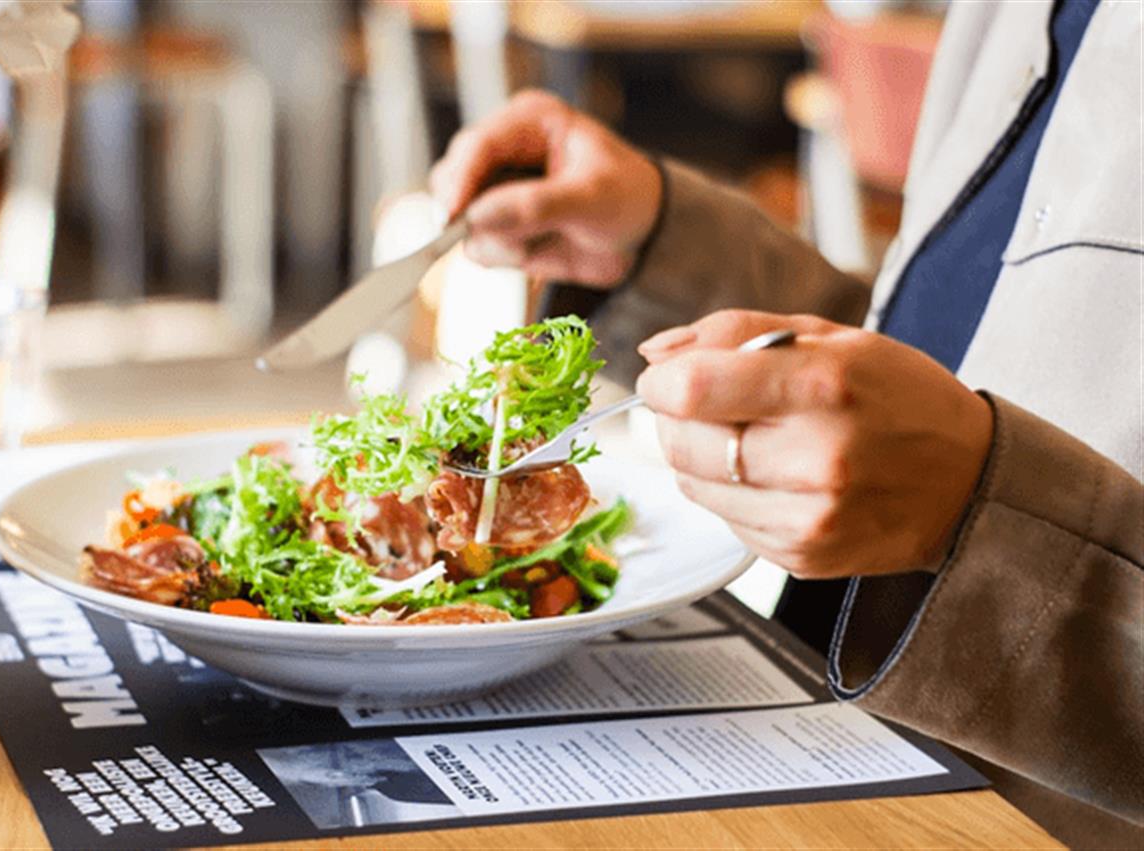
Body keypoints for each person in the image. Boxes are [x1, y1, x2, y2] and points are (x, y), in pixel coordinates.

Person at [428, 1, 1140, 846]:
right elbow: (942, 359)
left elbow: (971, 450)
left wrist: (977, 515)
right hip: (808, 768)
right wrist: (663, 244)